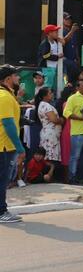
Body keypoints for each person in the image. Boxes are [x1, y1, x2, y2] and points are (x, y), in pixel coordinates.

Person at [0, 65, 26, 223]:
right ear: (8, 78)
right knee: (2, 180)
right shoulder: (4, 96)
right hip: (4, 146)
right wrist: (20, 147)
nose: (19, 78)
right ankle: (1, 212)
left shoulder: (8, 95)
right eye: (16, 75)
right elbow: (8, 124)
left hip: (4, 145)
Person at [63, 78, 83, 185]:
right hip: (77, 132)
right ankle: (72, 177)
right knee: (75, 156)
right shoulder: (73, 98)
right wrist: (80, 118)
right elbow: (66, 113)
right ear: (78, 88)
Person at [36, 87, 63, 165]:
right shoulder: (45, 105)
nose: (52, 95)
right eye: (50, 93)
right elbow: (54, 119)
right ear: (45, 96)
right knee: (49, 156)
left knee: (49, 155)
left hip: (49, 134)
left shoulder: (43, 105)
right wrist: (61, 120)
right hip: (50, 135)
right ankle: (48, 174)